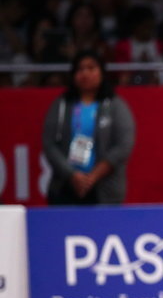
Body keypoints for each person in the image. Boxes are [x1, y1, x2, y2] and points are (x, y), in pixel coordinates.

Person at [42, 50, 135, 205]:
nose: (85, 73)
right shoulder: (61, 105)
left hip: (105, 187)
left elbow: (123, 145)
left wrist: (93, 176)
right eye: (80, 69)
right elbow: (49, 144)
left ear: (102, 72)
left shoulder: (115, 105)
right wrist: (72, 175)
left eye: (91, 68)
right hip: (66, 185)